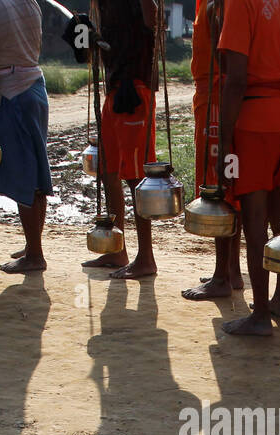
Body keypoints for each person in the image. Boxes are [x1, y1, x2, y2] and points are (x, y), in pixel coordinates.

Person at [218, 0, 280, 337]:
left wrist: (225, 143)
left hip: (255, 119)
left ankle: (260, 315)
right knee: (279, 212)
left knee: (254, 218)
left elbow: (236, 78)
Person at [0, 0, 53, 273]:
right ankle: (33, 246)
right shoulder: (30, 3)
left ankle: (35, 255)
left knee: (24, 177)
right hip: (34, 90)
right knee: (35, 173)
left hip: (11, 96)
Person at [83, 0, 158, 280]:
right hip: (114, 88)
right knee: (108, 170)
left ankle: (146, 258)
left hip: (135, 90)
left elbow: (152, 21)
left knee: (136, 177)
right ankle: (118, 249)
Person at [180, 0, 243, 301]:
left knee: (219, 184)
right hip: (216, 91)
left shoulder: (218, 4)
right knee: (229, 179)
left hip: (218, 93)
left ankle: (222, 277)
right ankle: (231, 269)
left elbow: (226, 53)